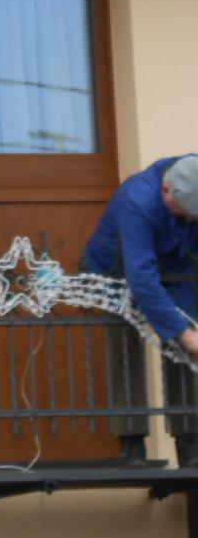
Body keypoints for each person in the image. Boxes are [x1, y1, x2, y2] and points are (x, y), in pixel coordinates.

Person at [81, 155, 198, 466]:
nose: (186, 218)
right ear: (166, 189)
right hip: (117, 273)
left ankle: (190, 446)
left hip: (177, 269)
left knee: (183, 354)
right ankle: (132, 445)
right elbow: (142, 278)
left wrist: (185, 332)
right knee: (127, 350)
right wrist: (185, 334)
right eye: (182, 211)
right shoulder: (138, 201)